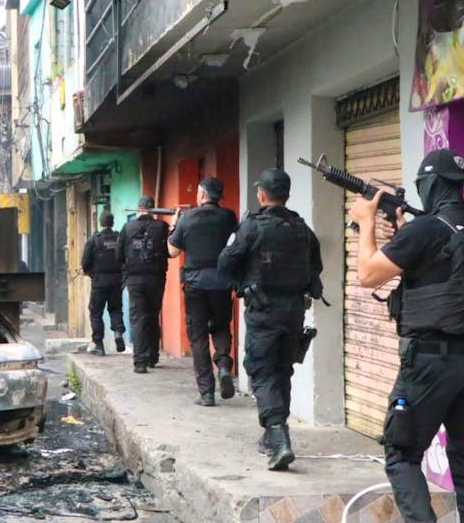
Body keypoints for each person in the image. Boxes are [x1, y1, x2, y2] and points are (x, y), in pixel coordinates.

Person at [350, 148, 464, 523]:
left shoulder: (426, 229)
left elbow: (369, 275)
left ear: (428, 184)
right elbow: (442, 272)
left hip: (431, 362)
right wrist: (405, 235)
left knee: (402, 454)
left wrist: (366, 222)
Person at [218, 169, 323, 471]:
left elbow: (225, 263)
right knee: (282, 370)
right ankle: (272, 435)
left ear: (262, 194)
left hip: (263, 311)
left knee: (262, 371)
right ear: (286, 194)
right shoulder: (302, 228)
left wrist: (241, 282)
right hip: (293, 312)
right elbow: (316, 266)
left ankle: (277, 435)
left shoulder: (252, 227)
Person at [168, 177, 238, 407]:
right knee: (220, 326)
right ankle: (224, 364)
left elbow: (172, 251)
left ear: (201, 194)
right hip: (222, 282)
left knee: (198, 337)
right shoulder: (228, 217)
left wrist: (174, 225)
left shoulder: (187, 219)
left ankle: (207, 393)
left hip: (195, 285)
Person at [117, 196, 170, 373]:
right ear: (153, 209)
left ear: (138, 209)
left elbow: (118, 255)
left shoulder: (128, 227)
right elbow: (169, 252)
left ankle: (140, 361)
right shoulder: (162, 227)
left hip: (135, 280)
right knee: (153, 316)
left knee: (138, 318)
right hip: (156, 279)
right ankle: (152, 357)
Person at [81, 212, 126, 356]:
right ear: (112, 223)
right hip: (117, 281)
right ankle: (118, 333)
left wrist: (86, 271)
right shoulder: (119, 238)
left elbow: (85, 262)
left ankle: (99, 345)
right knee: (116, 309)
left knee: (95, 312)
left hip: (99, 283)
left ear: (100, 223)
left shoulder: (94, 239)